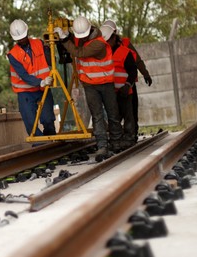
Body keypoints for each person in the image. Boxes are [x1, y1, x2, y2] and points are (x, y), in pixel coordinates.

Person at [54, 16, 120, 158]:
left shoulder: (99, 43)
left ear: (90, 30)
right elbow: (76, 43)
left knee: (112, 114)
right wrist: (67, 35)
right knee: (97, 116)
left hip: (106, 83)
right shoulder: (83, 38)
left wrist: (64, 39)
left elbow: (80, 52)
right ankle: (102, 146)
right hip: (90, 85)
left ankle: (116, 142)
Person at [7, 19, 56, 137]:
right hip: (25, 92)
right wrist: (41, 82)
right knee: (31, 124)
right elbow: (23, 75)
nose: (22, 40)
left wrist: (51, 46)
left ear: (27, 32)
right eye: (19, 39)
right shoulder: (13, 55)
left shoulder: (38, 43)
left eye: (23, 37)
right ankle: (39, 145)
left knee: (48, 119)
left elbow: (51, 60)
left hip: (43, 89)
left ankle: (51, 142)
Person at [103, 20, 152, 135]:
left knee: (131, 110)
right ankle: (118, 136)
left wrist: (145, 73)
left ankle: (132, 134)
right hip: (111, 87)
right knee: (115, 114)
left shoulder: (125, 44)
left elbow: (137, 60)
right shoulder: (102, 47)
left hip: (128, 84)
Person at [101, 24, 138, 152]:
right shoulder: (103, 53)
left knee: (128, 116)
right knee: (113, 117)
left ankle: (129, 138)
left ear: (114, 38)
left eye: (107, 41)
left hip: (125, 91)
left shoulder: (124, 52)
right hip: (110, 92)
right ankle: (116, 140)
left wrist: (127, 85)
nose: (106, 43)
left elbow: (133, 71)